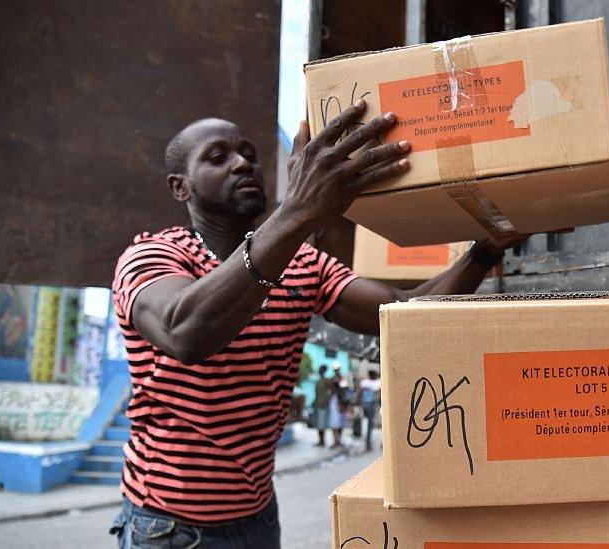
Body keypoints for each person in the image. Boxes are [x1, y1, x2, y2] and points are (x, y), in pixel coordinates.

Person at [108, 100, 526, 548]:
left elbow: (405, 310)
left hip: (258, 520)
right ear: (180, 187)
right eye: (217, 157)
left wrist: (483, 252)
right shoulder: (153, 257)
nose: (242, 164)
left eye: (248, 154)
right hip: (168, 528)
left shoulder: (302, 262)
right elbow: (186, 332)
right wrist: (296, 214)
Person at [358, 370, 382, 452]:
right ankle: (369, 445)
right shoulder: (377, 383)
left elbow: (359, 393)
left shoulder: (364, 383)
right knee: (370, 425)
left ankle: (367, 444)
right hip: (372, 406)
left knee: (367, 425)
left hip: (365, 405)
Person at [312, 364, 330, 446]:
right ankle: (320, 441)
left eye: (320, 369)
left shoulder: (326, 381)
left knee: (321, 424)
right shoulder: (318, 381)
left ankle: (322, 441)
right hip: (317, 404)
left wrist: (326, 401)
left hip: (323, 405)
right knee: (318, 424)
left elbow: (329, 392)